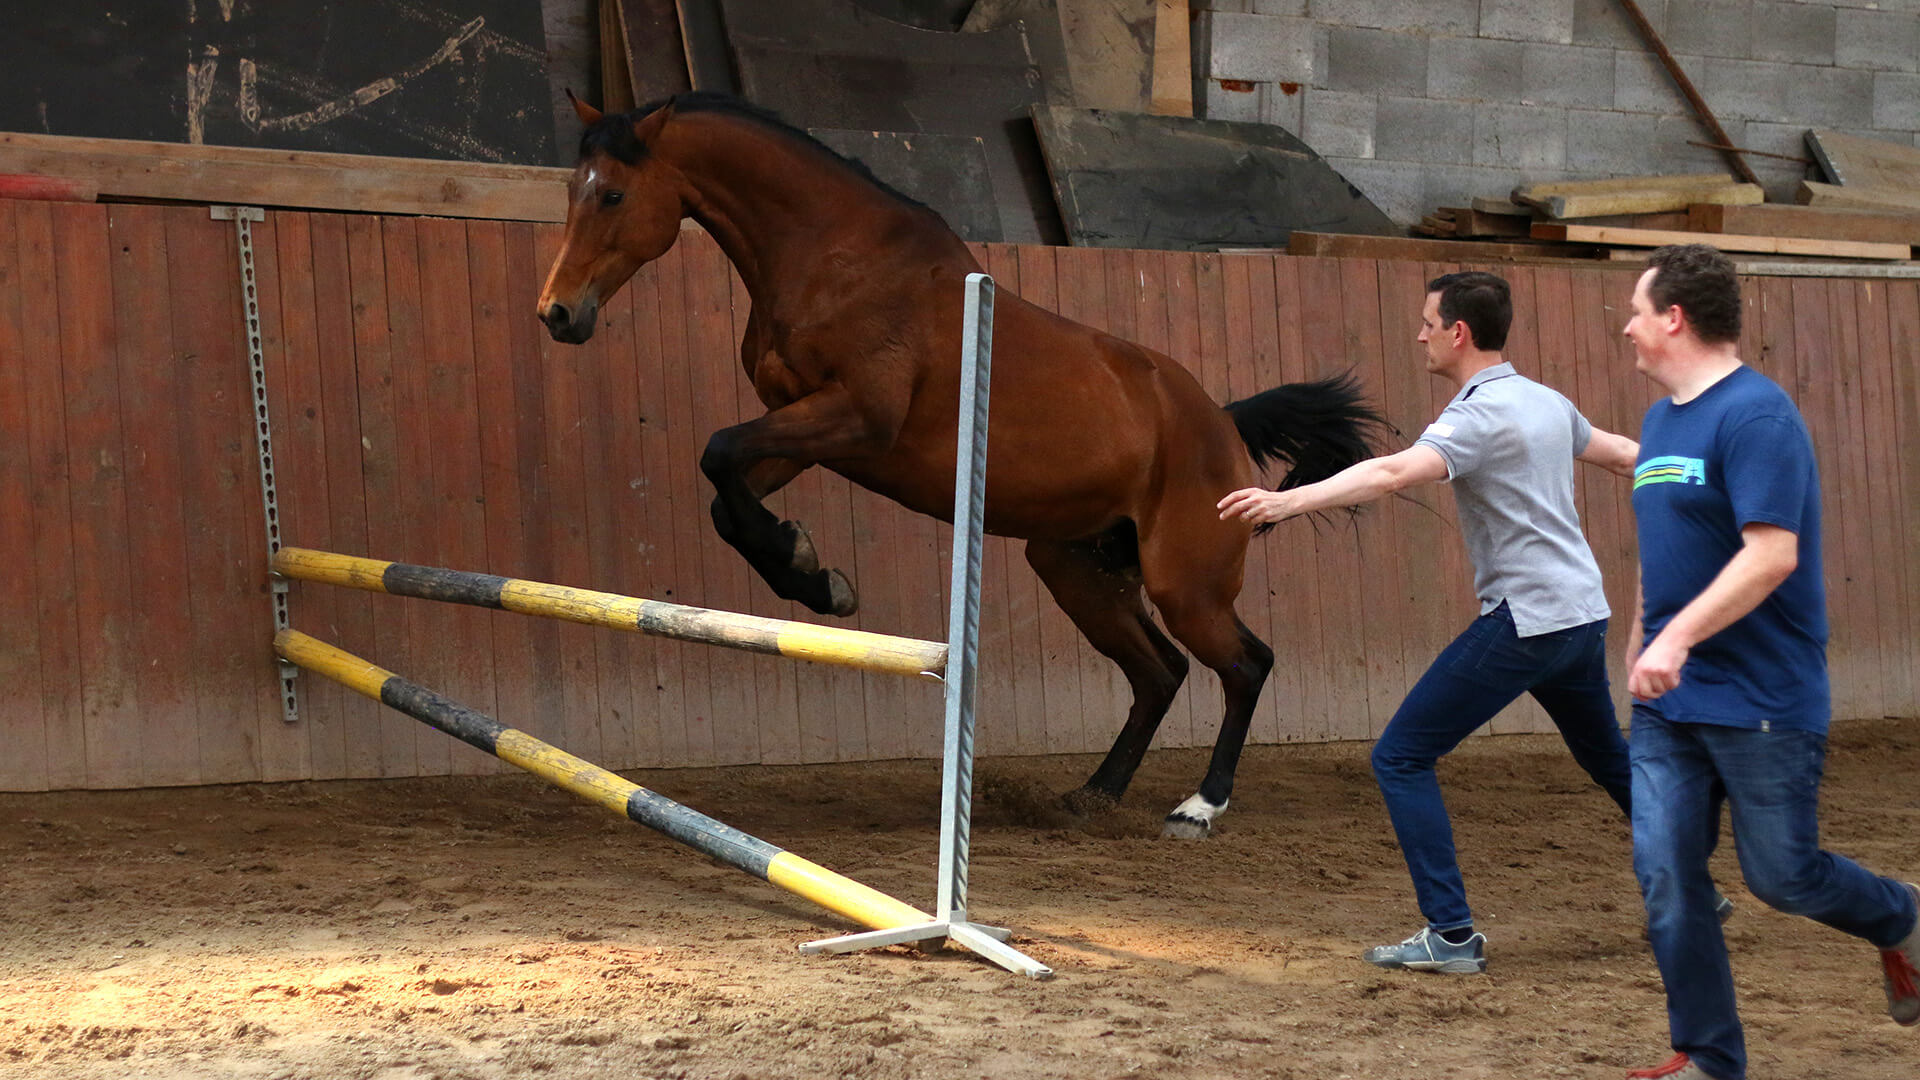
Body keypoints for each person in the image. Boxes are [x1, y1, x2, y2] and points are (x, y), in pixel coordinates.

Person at [1219, 270, 1645, 974]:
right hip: (1581, 617)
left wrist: (1285, 503)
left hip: (1529, 620)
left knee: (1400, 757)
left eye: (1426, 322)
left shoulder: (1475, 417)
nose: (1418, 334)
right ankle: (1689, 885)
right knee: (1609, 762)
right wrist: (1707, 476)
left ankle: (1449, 935)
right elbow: (1628, 457)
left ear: (1459, 332)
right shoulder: (1545, 401)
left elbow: (1390, 475)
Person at [1619, 243, 1918, 1080]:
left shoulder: (1758, 417)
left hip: (1759, 697)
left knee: (1782, 877)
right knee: (1667, 878)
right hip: (1669, 704)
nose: (1629, 329)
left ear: (1673, 318)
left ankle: (1901, 917)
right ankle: (1710, 1057)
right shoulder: (1661, 419)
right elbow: (1665, 545)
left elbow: (1771, 555)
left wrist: (1678, 640)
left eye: (1638, 312)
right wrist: (1641, 639)